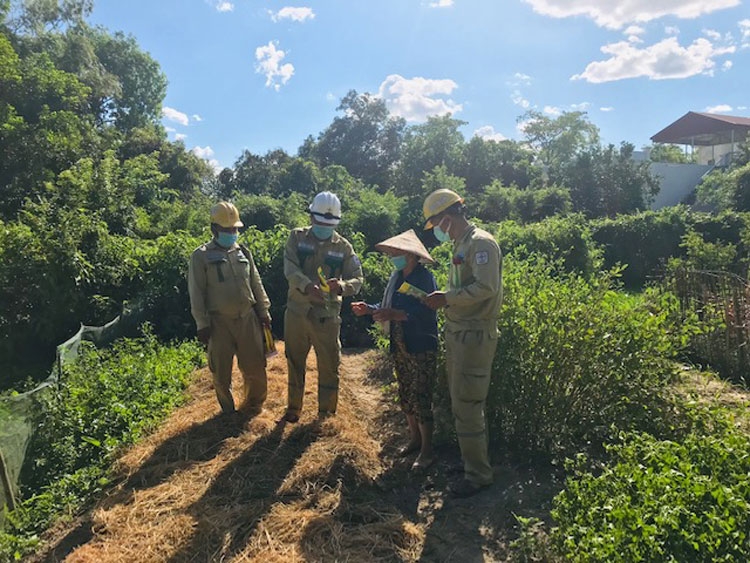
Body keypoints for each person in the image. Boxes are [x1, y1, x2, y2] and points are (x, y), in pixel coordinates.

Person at [422, 188, 503, 498]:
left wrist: (447, 299)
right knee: (461, 402)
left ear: (446, 217)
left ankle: (478, 475)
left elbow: (486, 287)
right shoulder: (461, 243)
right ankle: (471, 463)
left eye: (435, 224)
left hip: (474, 335)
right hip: (459, 332)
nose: (436, 231)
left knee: (468, 404)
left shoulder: (481, 243)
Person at [351, 230, 438, 472]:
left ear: (410, 255)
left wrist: (396, 315)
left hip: (420, 344)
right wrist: (369, 309)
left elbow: (426, 310)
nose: (392, 257)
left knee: (421, 395)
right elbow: (386, 306)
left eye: (396, 253)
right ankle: (415, 439)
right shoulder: (397, 278)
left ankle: (427, 451)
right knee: (406, 393)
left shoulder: (423, 279)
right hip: (400, 344)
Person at [281, 191, 363, 423]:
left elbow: (358, 279)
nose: (324, 227)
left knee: (329, 365)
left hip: (327, 316)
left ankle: (326, 413)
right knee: (294, 360)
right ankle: (293, 408)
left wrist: (342, 286)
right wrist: (307, 286)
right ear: (311, 217)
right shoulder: (296, 238)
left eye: (329, 224)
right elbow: (290, 267)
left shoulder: (344, 247)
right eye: (320, 222)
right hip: (297, 312)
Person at [187, 201, 272, 418]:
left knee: (255, 367)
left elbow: (256, 283)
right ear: (214, 229)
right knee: (221, 372)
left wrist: (264, 312)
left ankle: (253, 408)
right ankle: (228, 412)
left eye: (235, 229)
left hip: (247, 318)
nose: (232, 233)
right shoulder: (201, 256)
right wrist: (202, 324)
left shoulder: (243, 252)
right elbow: (196, 292)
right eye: (227, 229)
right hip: (218, 322)